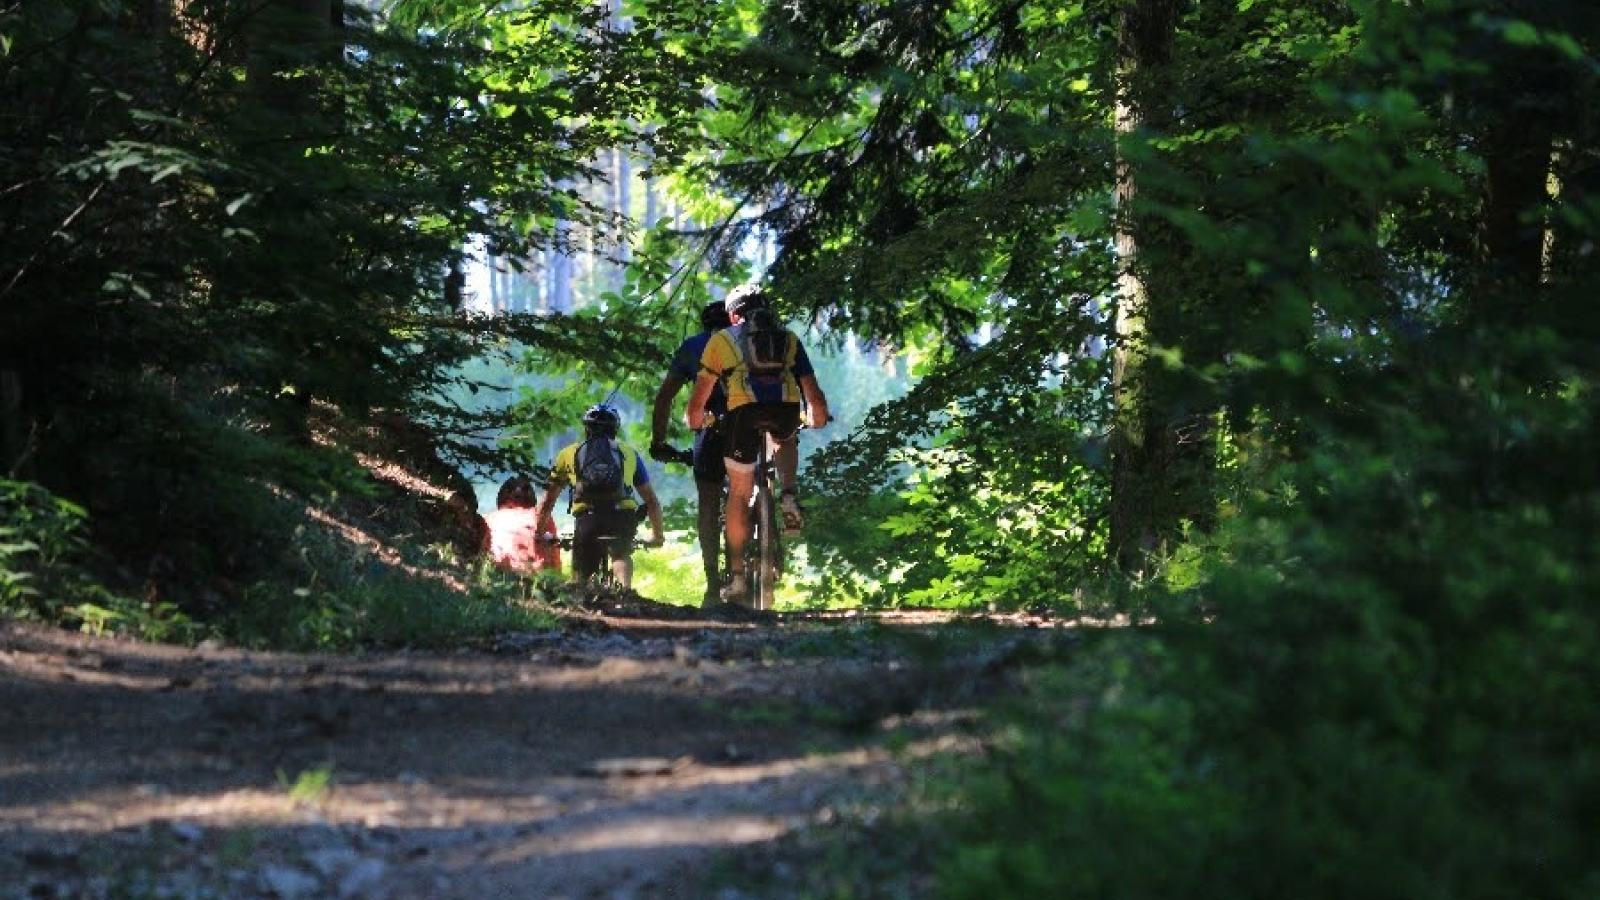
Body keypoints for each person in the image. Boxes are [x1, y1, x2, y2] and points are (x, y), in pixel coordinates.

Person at [685, 285, 830, 603]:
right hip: (786, 410)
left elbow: (700, 398)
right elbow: (813, 392)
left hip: (742, 416)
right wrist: (817, 417)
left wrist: (696, 421)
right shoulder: (788, 339)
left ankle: (737, 579)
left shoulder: (721, 340)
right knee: (787, 438)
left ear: (733, 314)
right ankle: (788, 494)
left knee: (738, 495)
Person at [650, 299, 733, 606]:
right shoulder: (749, 342)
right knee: (751, 484)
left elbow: (664, 398)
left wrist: (659, 441)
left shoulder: (693, 346)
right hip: (753, 428)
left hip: (711, 430)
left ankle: (712, 581)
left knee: (708, 503)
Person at [533, 404, 666, 589]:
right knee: (621, 554)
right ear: (615, 430)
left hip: (588, 517)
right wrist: (657, 536)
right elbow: (651, 500)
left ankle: (581, 601)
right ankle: (625, 591)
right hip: (622, 516)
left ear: (586, 429)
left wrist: (539, 533)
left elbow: (548, 501)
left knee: (581, 575)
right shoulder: (629, 453)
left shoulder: (568, 453)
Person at [482, 475, 561, 575]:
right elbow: (554, 549)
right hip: (536, 576)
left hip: (499, 573)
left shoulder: (489, 519)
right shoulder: (538, 517)